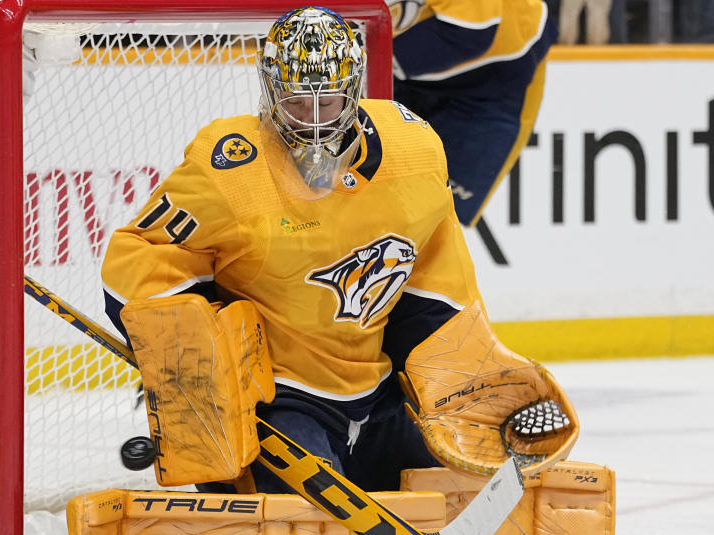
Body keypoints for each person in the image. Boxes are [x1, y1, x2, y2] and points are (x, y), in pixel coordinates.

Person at [100, 6, 573, 496]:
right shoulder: (230, 169)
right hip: (278, 400)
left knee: (463, 496)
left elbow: (435, 283)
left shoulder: (412, 149)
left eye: (327, 102)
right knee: (306, 531)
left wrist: (466, 372)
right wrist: (192, 364)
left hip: (378, 394)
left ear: (354, 90)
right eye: (297, 103)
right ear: (270, 90)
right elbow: (139, 258)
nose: (313, 123)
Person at [384, 0, 558, 263]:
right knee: (371, 194)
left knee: (436, 216)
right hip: (402, 67)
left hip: (495, 78)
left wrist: (367, 57)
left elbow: (470, 32)